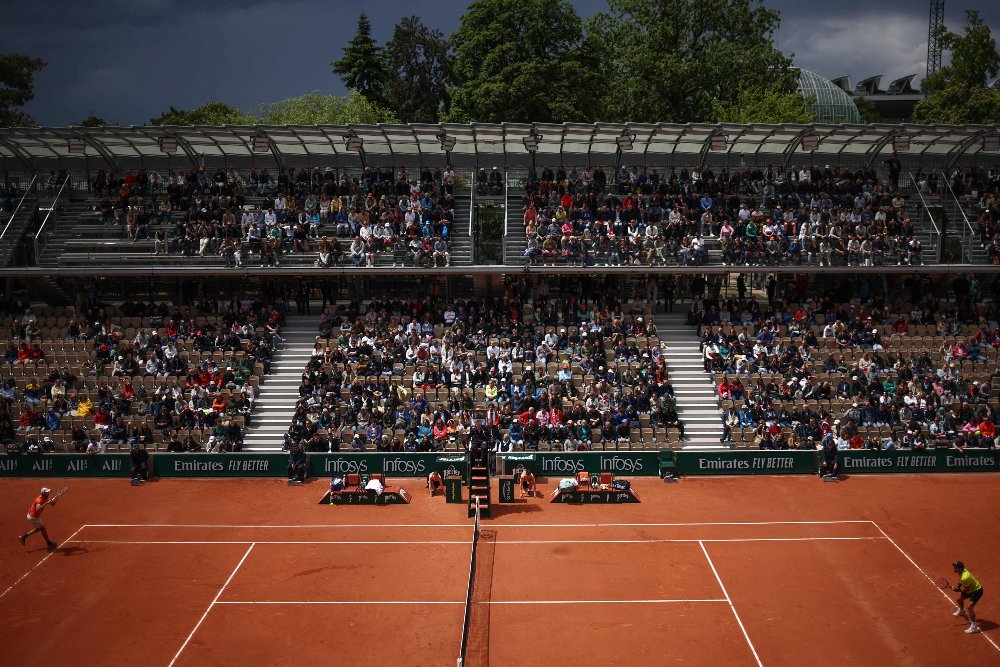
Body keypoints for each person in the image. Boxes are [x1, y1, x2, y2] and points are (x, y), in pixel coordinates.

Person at [951, 561, 983, 634]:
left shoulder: (965, 576)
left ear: (959, 568)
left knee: (970, 607)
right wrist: (958, 586)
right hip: (971, 589)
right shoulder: (961, 572)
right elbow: (962, 581)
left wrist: (957, 590)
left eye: (955, 567)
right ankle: (962, 611)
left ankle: (974, 627)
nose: (953, 568)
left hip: (977, 591)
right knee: (959, 600)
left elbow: (966, 589)